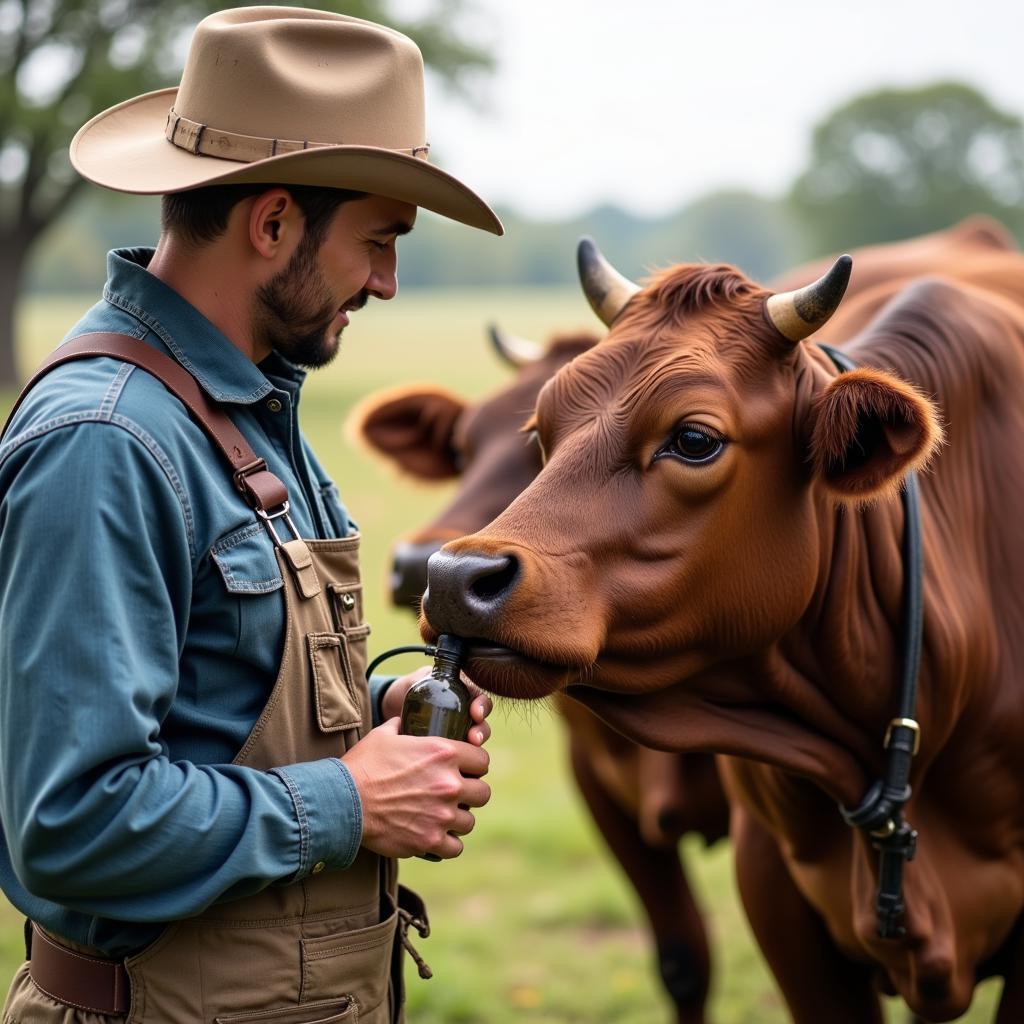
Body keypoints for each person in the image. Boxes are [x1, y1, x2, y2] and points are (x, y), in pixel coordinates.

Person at [0, 7, 502, 1022]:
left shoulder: (246, 408)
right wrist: (353, 800)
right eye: (378, 240)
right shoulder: (107, 442)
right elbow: (70, 825)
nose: (388, 283)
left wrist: (371, 725)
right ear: (271, 223)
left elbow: (209, 700)